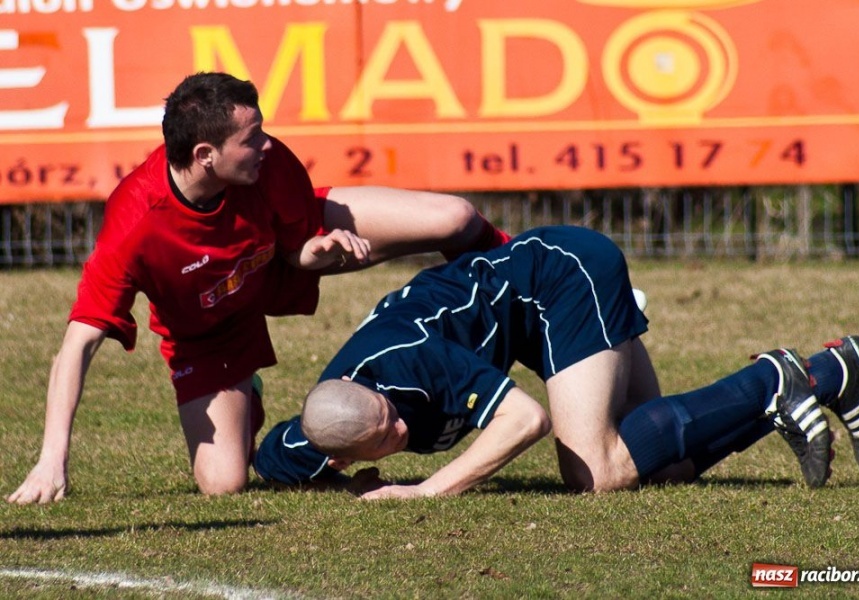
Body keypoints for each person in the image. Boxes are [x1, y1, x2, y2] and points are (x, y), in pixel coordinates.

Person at [6, 71, 512, 504]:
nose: (266, 143)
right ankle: (249, 398)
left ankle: (519, 284)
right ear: (205, 155)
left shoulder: (267, 163)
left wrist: (317, 249)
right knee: (222, 485)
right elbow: (78, 342)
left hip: (280, 261)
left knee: (453, 217)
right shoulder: (135, 222)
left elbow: (296, 252)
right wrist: (52, 460)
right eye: (251, 137)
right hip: (212, 331)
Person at [252, 225, 859, 498]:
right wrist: (339, 482)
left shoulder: (416, 364)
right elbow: (271, 458)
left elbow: (525, 420)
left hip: (563, 275)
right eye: (386, 436)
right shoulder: (323, 435)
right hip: (533, 313)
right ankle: (832, 373)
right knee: (657, 467)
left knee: (597, 473)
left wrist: (425, 487)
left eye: (392, 414)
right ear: (341, 454)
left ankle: (773, 380)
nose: (398, 425)